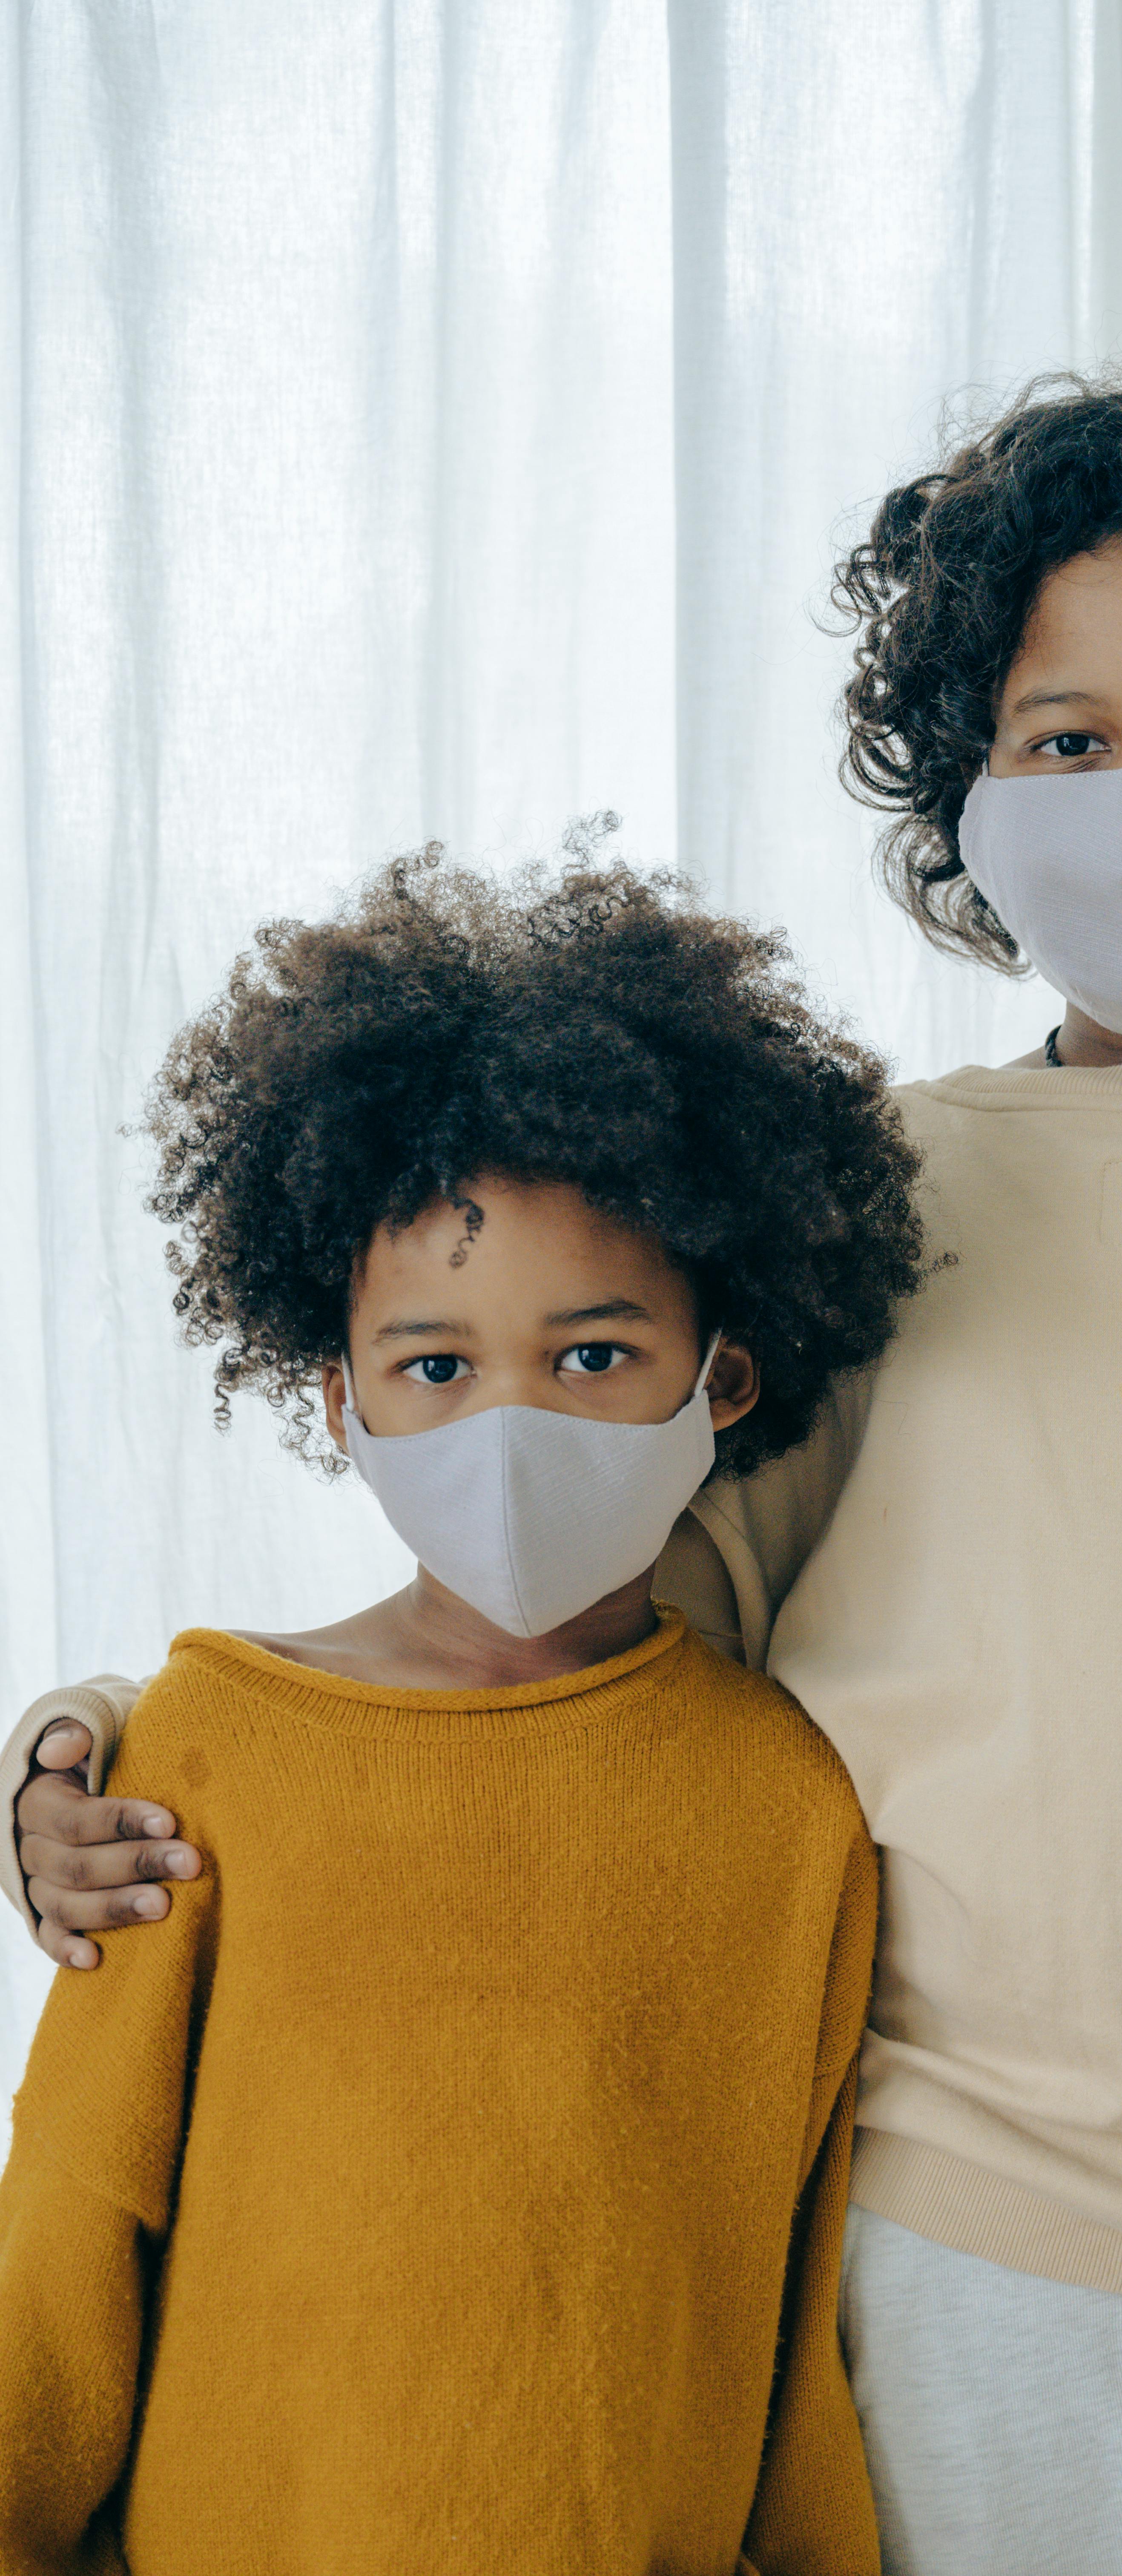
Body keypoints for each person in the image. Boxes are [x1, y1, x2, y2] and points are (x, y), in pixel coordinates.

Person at [11, 346, 1122, 2576]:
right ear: (965, 787)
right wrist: (112, 1742)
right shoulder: (878, 1198)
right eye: (1065, 740)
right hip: (931, 2287)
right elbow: (569, 1630)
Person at [0, 847, 924, 2573]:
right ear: (332, 1393)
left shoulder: (785, 1802)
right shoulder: (205, 1749)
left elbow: (791, 2310)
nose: (511, 1424)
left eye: (592, 1355)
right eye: (434, 1363)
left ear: (721, 1370)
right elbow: (67, 2232)